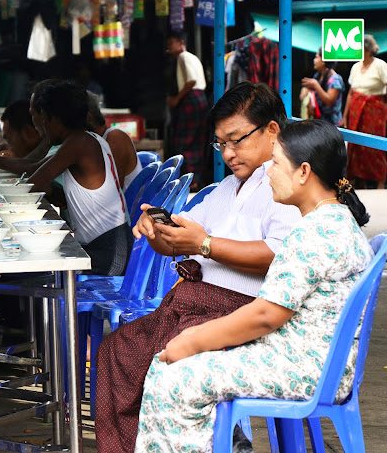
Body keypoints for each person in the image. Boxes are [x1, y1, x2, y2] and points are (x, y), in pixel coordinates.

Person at [134, 119, 371, 452]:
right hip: (309, 360)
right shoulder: (332, 221)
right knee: (172, 365)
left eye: (276, 163)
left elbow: (265, 315)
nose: (268, 172)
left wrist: (194, 340)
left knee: (173, 376)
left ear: (303, 172)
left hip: (303, 368)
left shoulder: (316, 233)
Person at [94, 81, 302, 453]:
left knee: (167, 361)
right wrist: (157, 231)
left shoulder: (284, 186)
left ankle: (216, 439)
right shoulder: (226, 188)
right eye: (221, 144)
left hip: (241, 313)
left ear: (272, 130)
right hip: (193, 307)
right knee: (116, 351)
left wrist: (204, 244)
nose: (229, 153)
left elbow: (280, 255)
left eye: (237, 140)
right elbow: (180, 237)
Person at [28, 80, 133, 275]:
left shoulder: (77, 143)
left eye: (43, 120)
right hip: (110, 246)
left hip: (108, 254)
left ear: (54, 120)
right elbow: (39, 173)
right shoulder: (88, 138)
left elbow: (32, 184)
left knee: (37, 272)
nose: (42, 126)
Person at [342, 34, 387, 189]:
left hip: (374, 110)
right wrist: (345, 115)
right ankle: (360, 181)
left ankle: (380, 181)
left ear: (367, 50)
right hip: (356, 109)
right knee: (356, 145)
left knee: (374, 146)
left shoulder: (380, 65)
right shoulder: (356, 67)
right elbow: (351, 93)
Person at [165, 28, 208, 190]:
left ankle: (190, 179)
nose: (169, 48)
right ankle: (195, 179)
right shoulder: (193, 57)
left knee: (184, 141)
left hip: (191, 99)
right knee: (196, 140)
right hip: (200, 98)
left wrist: (176, 99)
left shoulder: (183, 57)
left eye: (171, 43)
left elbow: (191, 81)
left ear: (181, 42)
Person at [86, 91, 143, 190]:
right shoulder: (95, 142)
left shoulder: (115, 138)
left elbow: (113, 189)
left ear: (88, 118)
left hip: (127, 200)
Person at [300, 47, 344, 126]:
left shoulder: (335, 79)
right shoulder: (318, 75)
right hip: (319, 122)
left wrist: (316, 85)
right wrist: (305, 90)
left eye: (316, 57)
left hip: (332, 124)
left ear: (323, 61)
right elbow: (307, 91)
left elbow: (329, 102)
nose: (314, 60)